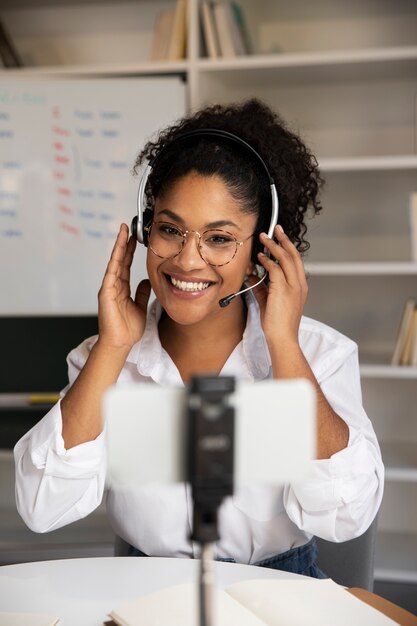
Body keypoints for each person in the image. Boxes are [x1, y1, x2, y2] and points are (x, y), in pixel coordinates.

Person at [14, 98, 383, 577]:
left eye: (220, 238)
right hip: (142, 591)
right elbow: (42, 507)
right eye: (170, 230)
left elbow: (346, 513)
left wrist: (284, 347)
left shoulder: (319, 353)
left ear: (262, 249)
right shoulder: (106, 358)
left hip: (274, 591)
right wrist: (112, 348)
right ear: (147, 230)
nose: (188, 260)